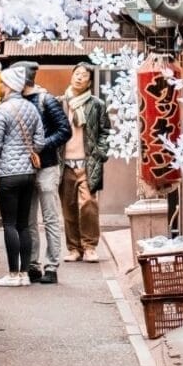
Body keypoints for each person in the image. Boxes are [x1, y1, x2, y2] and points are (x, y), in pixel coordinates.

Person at [0, 65, 45, 287]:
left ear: (9, 85)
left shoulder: (3, 110)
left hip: (9, 175)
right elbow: (39, 142)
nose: (0, 86)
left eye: (2, 83)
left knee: (9, 224)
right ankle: (23, 274)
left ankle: (12, 274)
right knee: (24, 224)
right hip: (29, 174)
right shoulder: (32, 109)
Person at [20, 62, 72, 285]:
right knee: (29, 218)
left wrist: (42, 145)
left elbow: (65, 130)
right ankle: (33, 264)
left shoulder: (46, 100)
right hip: (25, 167)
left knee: (50, 217)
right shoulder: (15, 101)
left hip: (48, 166)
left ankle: (52, 265)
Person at [60, 61, 111, 263]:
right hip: (64, 163)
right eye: (77, 73)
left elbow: (105, 131)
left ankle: (90, 246)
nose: (79, 77)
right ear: (72, 75)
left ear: (90, 81)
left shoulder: (97, 104)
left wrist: (100, 152)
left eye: (84, 75)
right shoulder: (60, 103)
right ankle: (74, 248)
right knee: (69, 207)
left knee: (88, 204)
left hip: (88, 162)